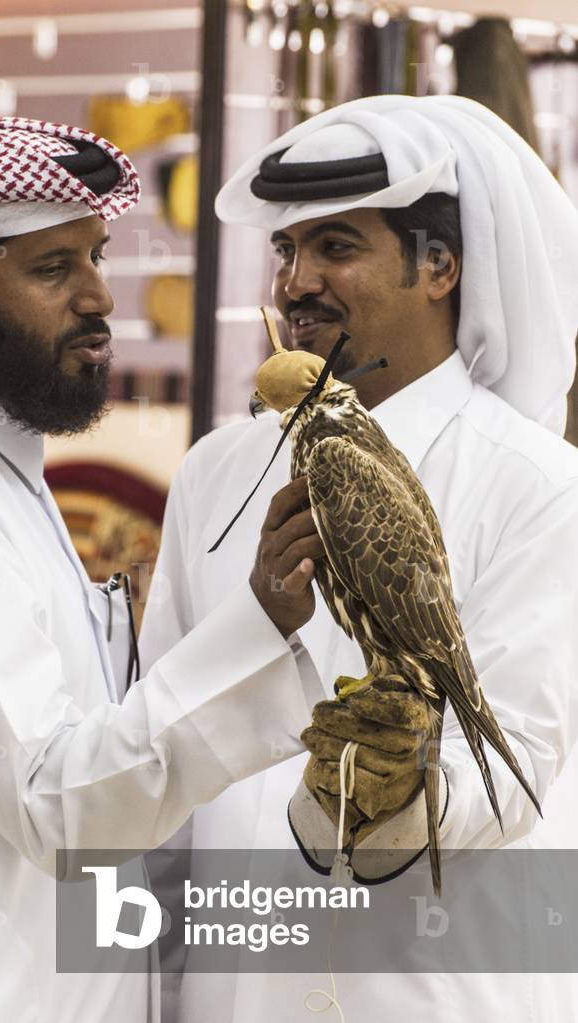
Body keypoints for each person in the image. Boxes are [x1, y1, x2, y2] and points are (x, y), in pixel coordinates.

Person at [0, 116, 327, 1022]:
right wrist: (257, 620)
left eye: (97, 256)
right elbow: (54, 804)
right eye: (53, 268)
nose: (101, 296)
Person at [139, 95, 578, 1020]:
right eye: (286, 252)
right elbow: (159, 784)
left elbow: (522, 756)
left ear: (439, 267)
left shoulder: (537, 484)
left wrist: (394, 790)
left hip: (434, 990)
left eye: (335, 246)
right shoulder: (215, 476)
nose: (296, 281)